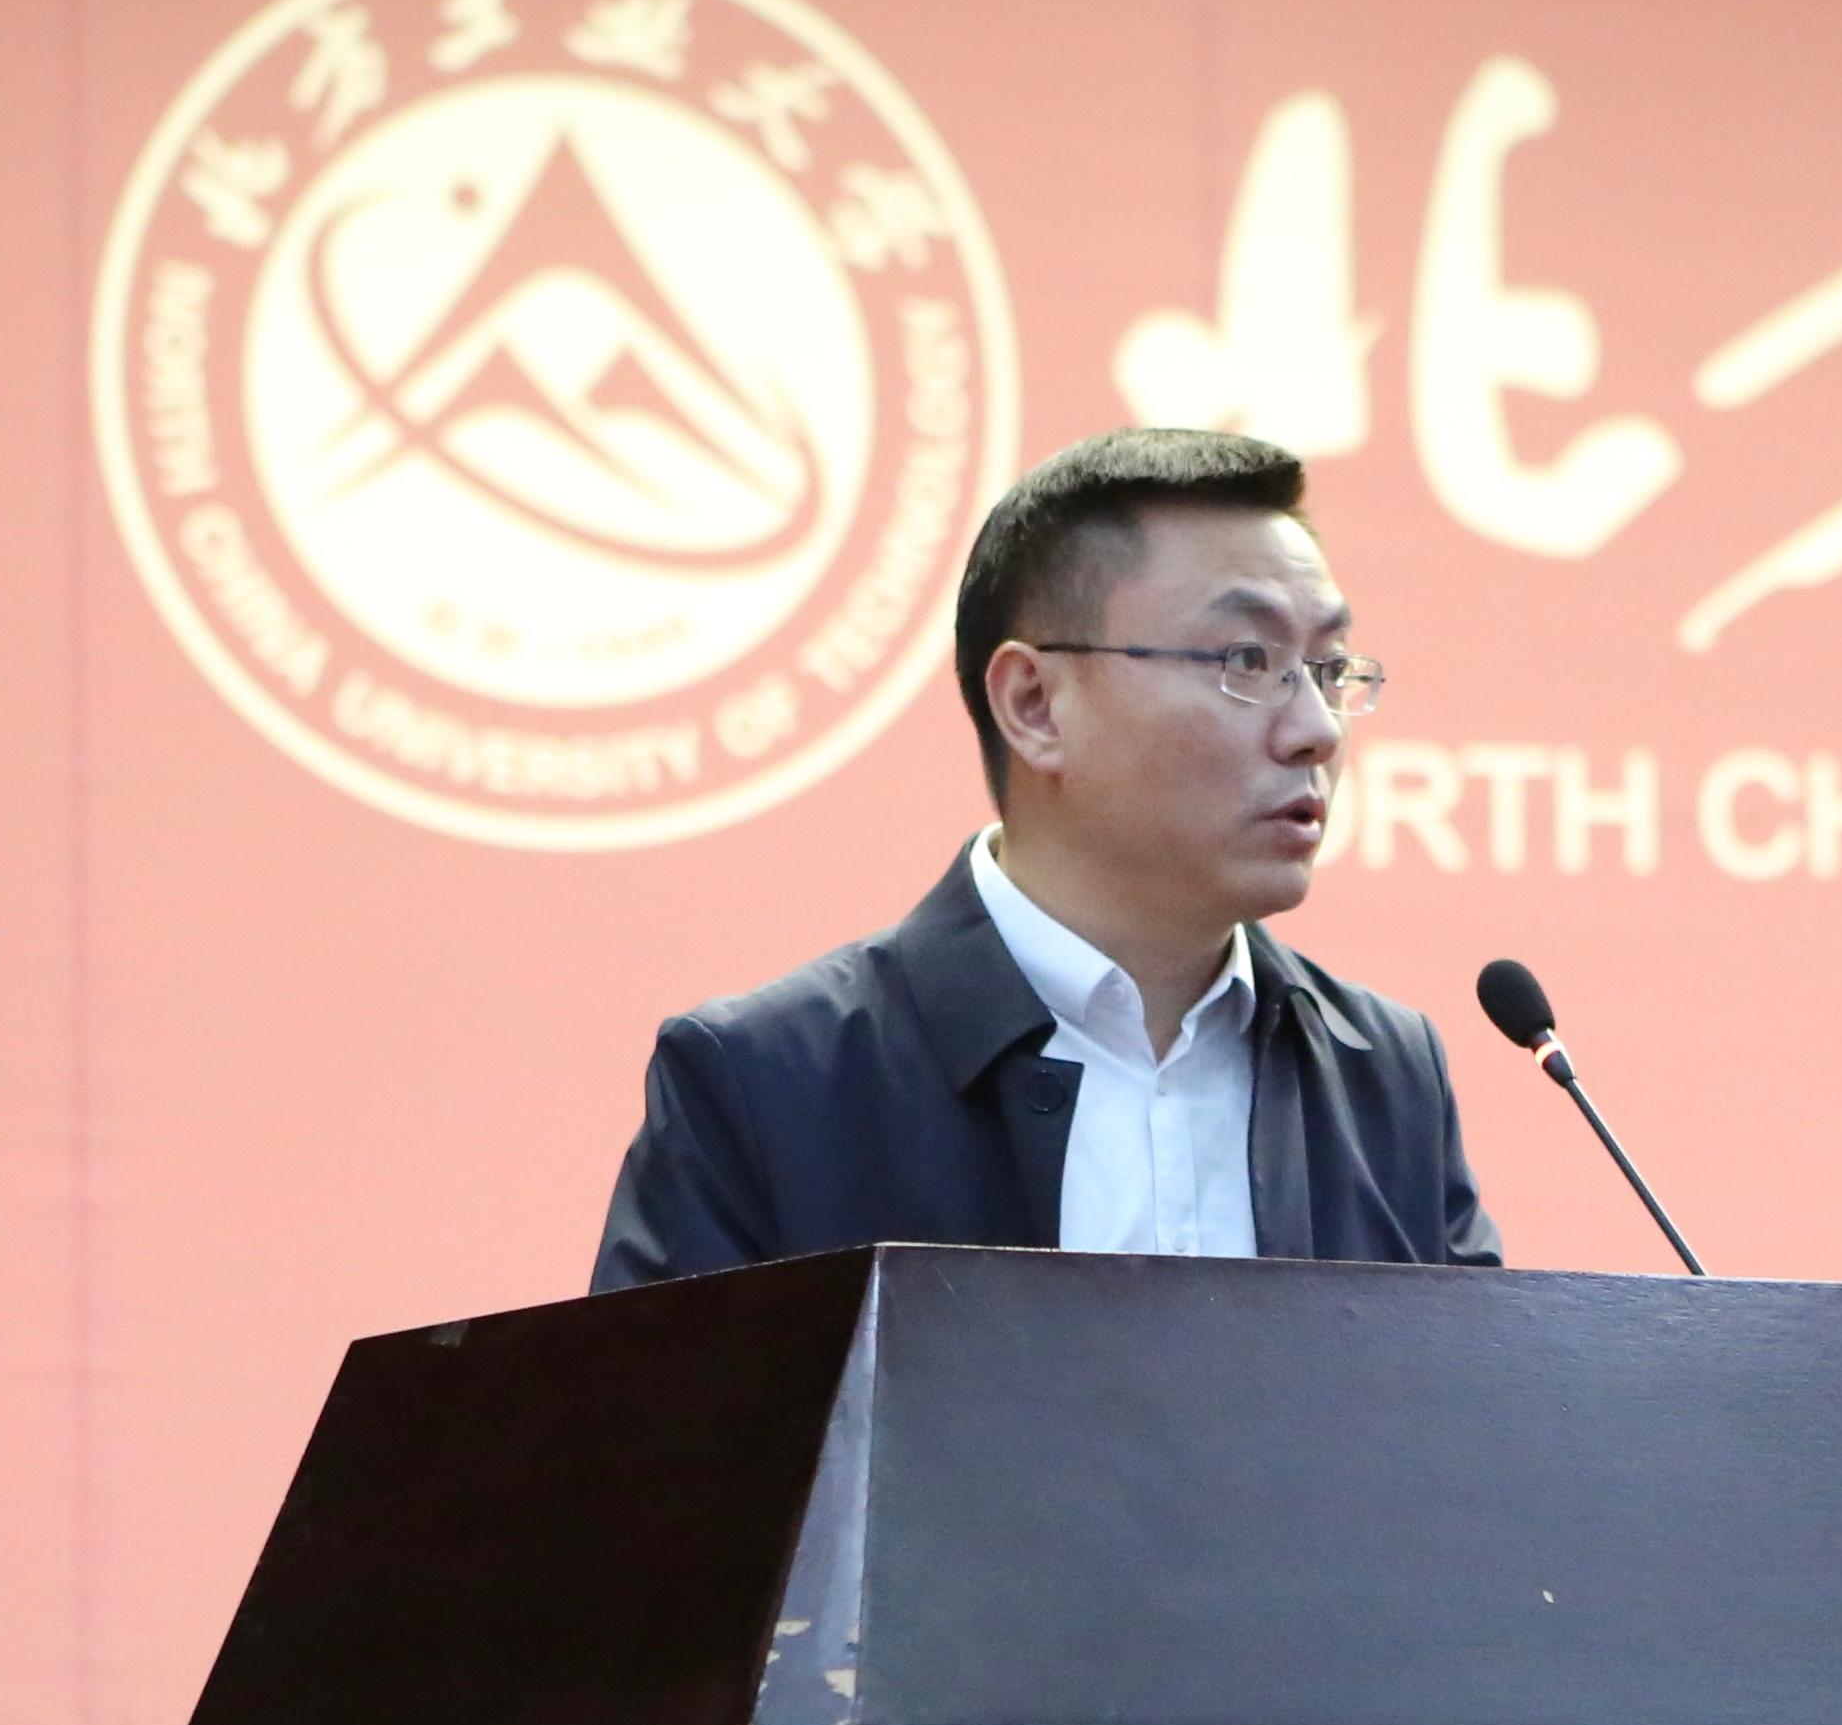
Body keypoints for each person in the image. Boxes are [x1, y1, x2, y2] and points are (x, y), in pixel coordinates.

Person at [591, 428, 1498, 1288]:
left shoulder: (1385, 1076)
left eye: (1331, 668)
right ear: (1033, 705)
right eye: (1246, 658)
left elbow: (1474, 1397)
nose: (1315, 730)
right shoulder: (767, 1086)